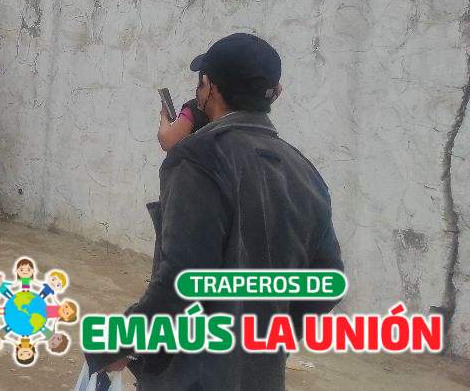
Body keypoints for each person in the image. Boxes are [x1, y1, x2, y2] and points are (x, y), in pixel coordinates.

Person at [89, 33, 343, 390]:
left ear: (209, 89)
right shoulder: (302, 168)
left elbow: (181, 279)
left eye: (202, 81)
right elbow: (327, 281)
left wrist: (119, 345)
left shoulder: (198, 158)